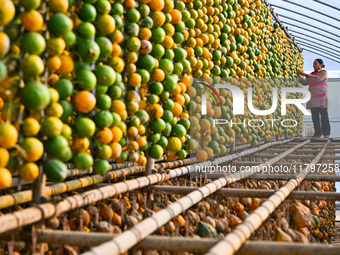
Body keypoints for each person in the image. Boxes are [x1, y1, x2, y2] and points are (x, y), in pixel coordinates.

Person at [298, 59, 330, 138]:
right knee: (315, 116)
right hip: (313, 97)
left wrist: (304, 74)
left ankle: (326, 133)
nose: (314, 65)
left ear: (321, 64)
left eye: (315, 64)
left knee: (324, 116)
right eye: (313, 64)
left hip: (321, 97)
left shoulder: (323, 72)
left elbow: (317, 79)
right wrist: (299, 76)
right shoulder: (312, 74)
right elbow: (305, 83)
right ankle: (317, 133)